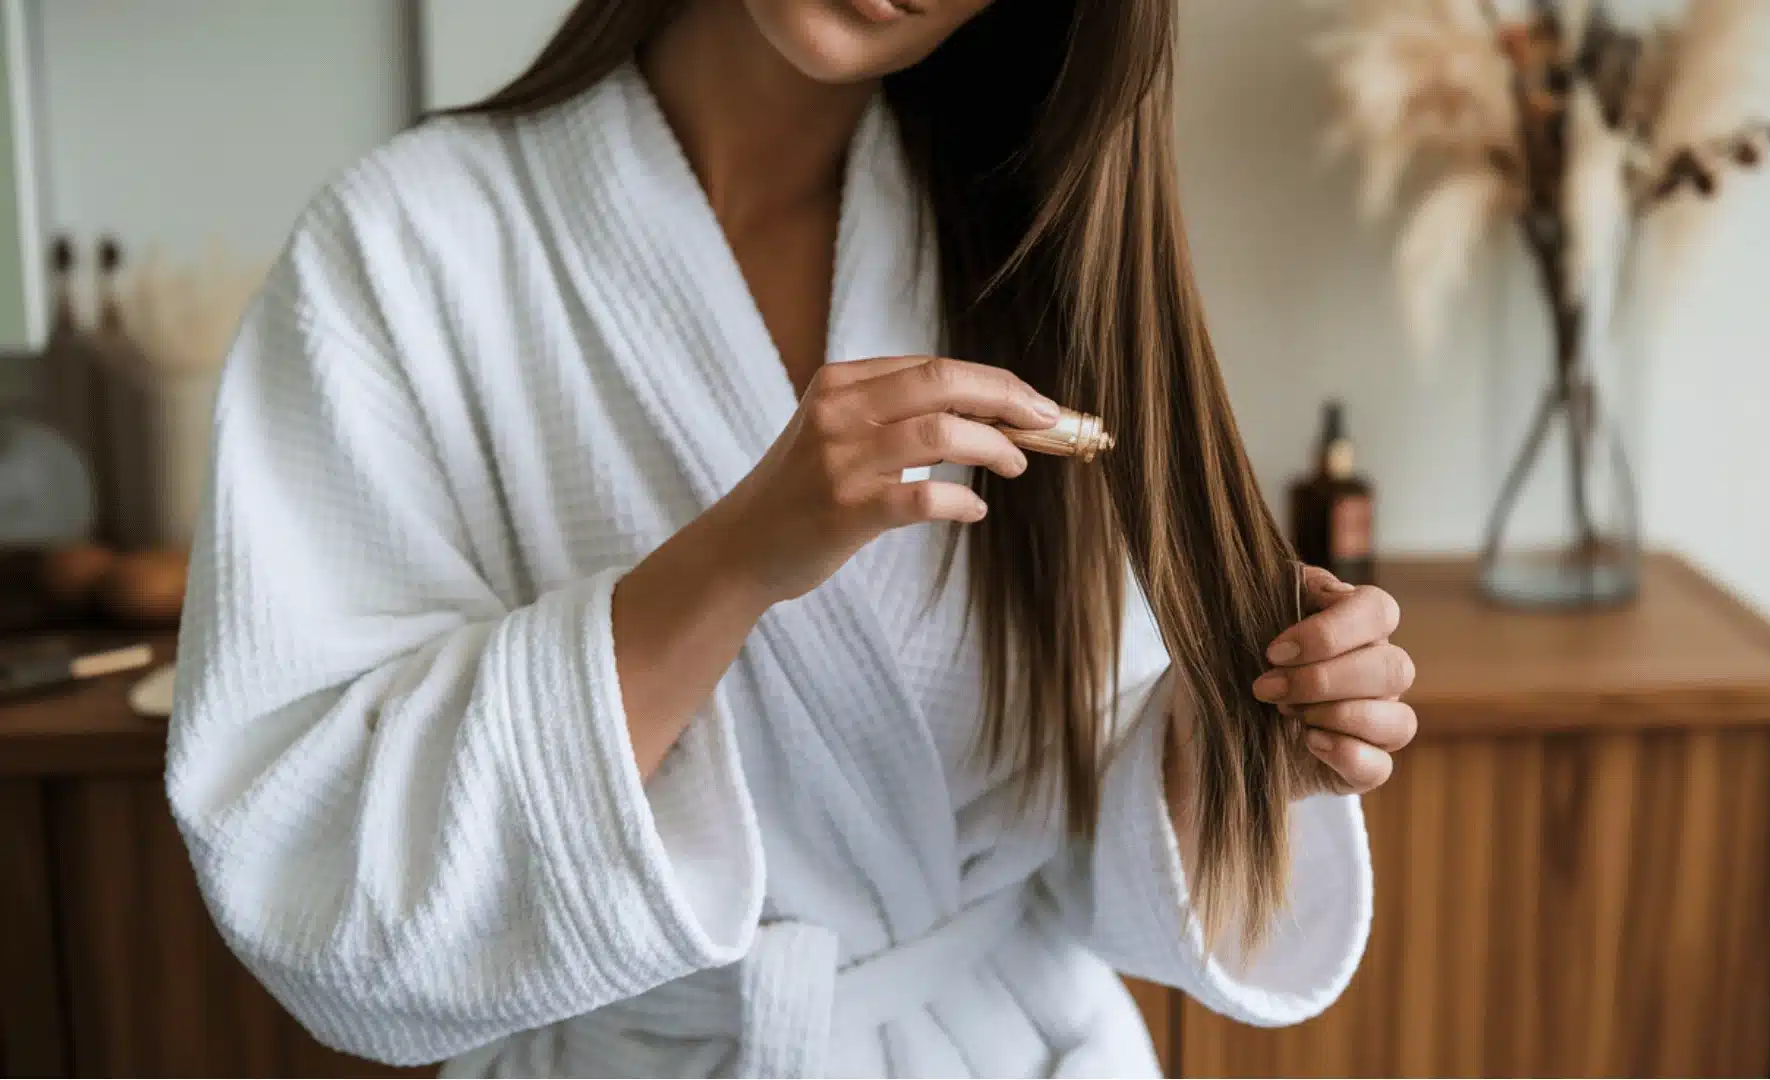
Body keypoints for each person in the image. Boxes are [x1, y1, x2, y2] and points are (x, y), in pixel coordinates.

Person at [166, 0, 1418, 1076]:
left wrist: (1253, 735)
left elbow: (1092, 826)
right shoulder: (403, 247)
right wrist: (734, 562)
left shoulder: (1037, 239)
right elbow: (310, 859)